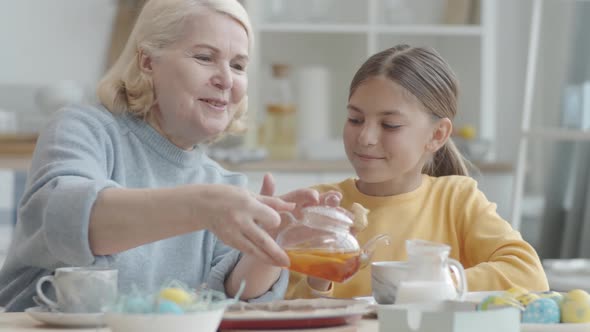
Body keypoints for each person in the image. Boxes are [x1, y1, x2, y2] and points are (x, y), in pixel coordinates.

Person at [0, 0, 321, 312]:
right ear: (147, 62)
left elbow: (231, 297)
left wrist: (269, 247)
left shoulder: (225, 185)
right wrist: (203, 207)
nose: (226, 79)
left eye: (238, 65)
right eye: (205, 57)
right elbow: (67, 222)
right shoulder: (85, 129)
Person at [286, 44, 549, 299]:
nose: (365, 137)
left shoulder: (456, 200)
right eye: (355, 119)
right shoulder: (319, 206)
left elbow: (528, 273)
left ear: (437, 135)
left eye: (390, 125)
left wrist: (433, 282)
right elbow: (280, 307)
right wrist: (319, 276)